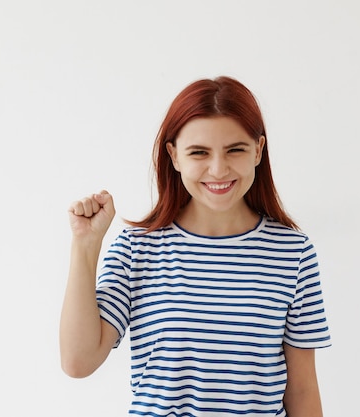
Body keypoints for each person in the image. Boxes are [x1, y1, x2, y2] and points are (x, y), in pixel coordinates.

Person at [60, 76, 331, 417]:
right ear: (173, 156)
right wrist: (85, 245)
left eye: (236, 149)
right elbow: (78, 361)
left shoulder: (293, 253)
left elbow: (303, 389)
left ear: (258, 150)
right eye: (199, 152)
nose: (218, 169)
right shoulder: (136, 250)